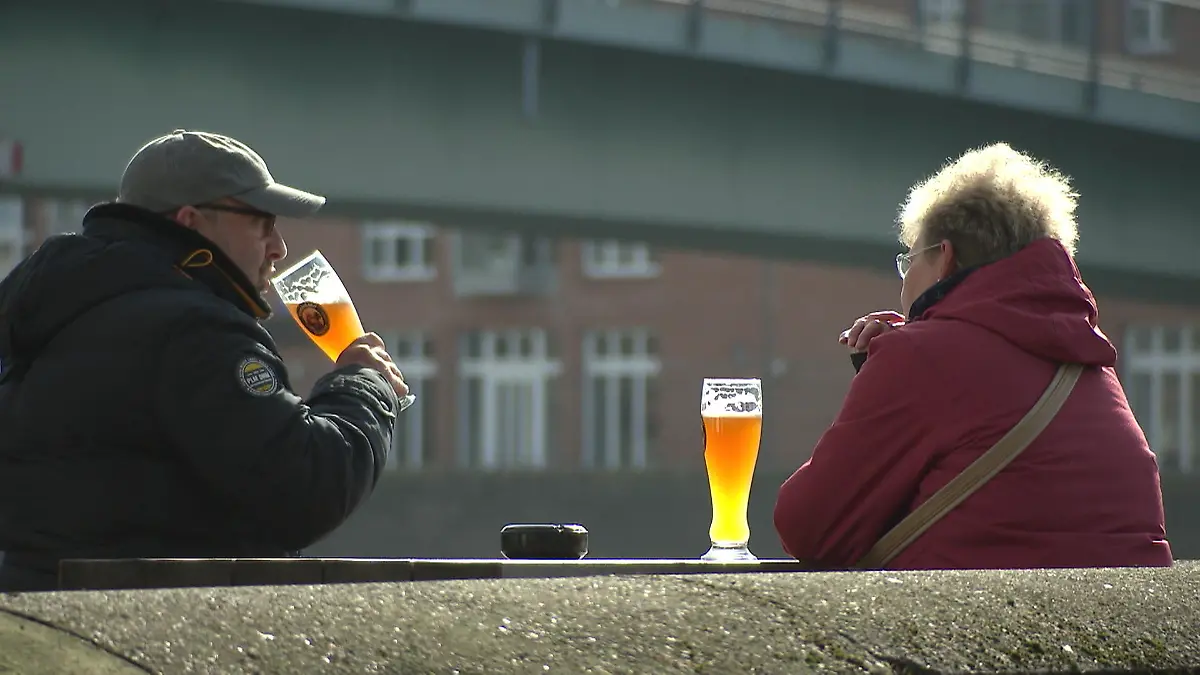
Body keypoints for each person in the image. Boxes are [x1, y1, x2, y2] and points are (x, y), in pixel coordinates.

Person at [0, 130, 410, 591]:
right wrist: (364, 385)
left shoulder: (49, 305)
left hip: (40, 606)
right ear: (192, 222)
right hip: (155, 623)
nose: (278, 247)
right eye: (261, 222)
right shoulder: (194, 331)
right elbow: (306, 487)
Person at [773, 142, 1172, 570]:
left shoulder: (920, 359)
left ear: (944, 259)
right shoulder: (1089, 365)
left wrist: (897, 367)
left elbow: (808, 527)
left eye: (909, 263)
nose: (904, 287)